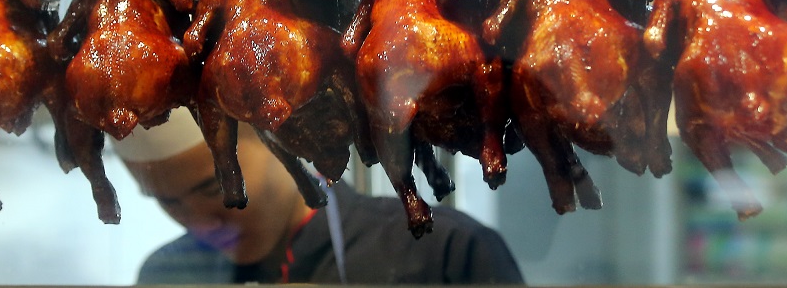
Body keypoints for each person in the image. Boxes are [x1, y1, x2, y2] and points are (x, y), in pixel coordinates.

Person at [114, 109, 524, 284]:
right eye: (167, 201)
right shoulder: (167, 277)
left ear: (282, 142)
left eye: (214, 187)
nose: (199, 220)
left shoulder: (445, 252)